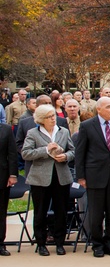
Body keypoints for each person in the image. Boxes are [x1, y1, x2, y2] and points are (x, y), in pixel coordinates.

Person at [75, 97, 110, 257]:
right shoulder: (87, 126)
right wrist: (81, 176)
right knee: (96, 213)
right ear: (99, 109)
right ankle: (97, 244)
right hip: (94, 175)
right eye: (109, 107)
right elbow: (80, 153)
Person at [21, 105, 75, 256]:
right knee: (40, 212)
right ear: (41, 119)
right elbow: (26, 153)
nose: (53, 118)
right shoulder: (33, 133)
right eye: (49, 116)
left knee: (61, 211)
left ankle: (59, 242)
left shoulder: (63, 131)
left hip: (61, 176)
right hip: (40, 178)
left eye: (53, 115)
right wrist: (45, 149)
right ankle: (41, 243)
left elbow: (73, 150)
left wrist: (66, 156)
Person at [0, 120, 16, 256]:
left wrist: (12, 175)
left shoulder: (5, 129)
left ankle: (0, 243)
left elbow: (12, 153)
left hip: (2, 177)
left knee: (1, 211)